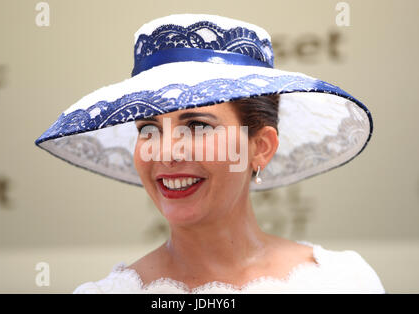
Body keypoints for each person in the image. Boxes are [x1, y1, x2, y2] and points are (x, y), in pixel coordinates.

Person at [35, 13, 385, 293]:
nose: (167, 152)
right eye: (148, 129)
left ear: (260, 147)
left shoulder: (343, 282)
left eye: (198, 126)